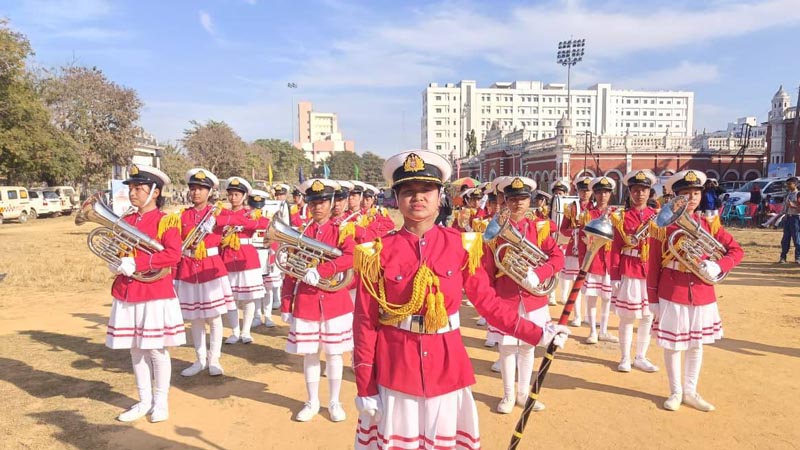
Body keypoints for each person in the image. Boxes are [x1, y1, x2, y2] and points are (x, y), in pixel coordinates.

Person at [352, 151, 569, 449]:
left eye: (426, 189)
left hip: (447, 366)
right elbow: (365, 323)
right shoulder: (375, 252)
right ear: (396, 198)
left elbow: (489, 303)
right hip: (397, 368)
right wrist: (365, 385)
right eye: (408, 191)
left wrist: (539, 333)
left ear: (439, 196)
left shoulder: (461, 245)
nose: (418, 197)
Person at [648, 169, 743, 412]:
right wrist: (652, 298)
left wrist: (719, 265)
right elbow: (653, 263)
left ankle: (691, 391)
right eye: (686, 193)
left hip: (702, 292)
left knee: (696, 345)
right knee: (674, 345)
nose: (691, 198)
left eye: (696, 193)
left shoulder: (710, 225)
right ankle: (675, 391)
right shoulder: (662, 226)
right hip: (672, 291)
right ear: (675, 197)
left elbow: (736, 251)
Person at [105, 165, 185, 423]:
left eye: (138, 188)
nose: (132, 193)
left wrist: (137, 263)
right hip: (128, 291)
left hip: (154, 291)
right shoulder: (126, 220)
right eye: (131, 188)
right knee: (135, 350)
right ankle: (143, 401)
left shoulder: (166, 220)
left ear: (155, 192)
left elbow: (173, 255)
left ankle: (161, 402)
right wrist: (115, 261)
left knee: (156, 350)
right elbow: (117, 249)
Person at [484, 176, 565, 413]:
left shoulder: (539, 228)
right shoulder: (495, 230)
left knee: (529, 346)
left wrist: (539, 274)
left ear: (529, 201)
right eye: (512, 199)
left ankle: (523, 394)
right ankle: (508, 395)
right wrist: (490, 300)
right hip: (506, 297)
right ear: (505, 201)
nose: (518, 203)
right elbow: (488, 267)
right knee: (507, 348)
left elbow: (557, 257)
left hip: (533, 298)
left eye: (522, 198)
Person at [280, 178, 356, 423]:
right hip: (307, 302)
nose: (318, 207)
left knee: (334, 355)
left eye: (322, 202)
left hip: (334, 301)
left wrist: (322, 270)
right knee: (310, 354)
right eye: (313, 203)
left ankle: (334, 401)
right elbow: (290, 269)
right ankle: (312, 401)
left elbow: (351, 257)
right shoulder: (300, 232)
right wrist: (285, 303)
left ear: (331, 202)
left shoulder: (342, 230)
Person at [176, 168, 238, 377]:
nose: (196, 193)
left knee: (214, 317)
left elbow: (242, 220)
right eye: (193, 188)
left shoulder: (218, 212)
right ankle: (200, 359)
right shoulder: (183, 215)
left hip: (211, 268)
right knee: (195, 318)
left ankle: (214, 359)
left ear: (210, 191)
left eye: (201, 189)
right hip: (188, 268)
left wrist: (219, 221)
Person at [610, 170, 659, 373]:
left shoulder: (657, 216)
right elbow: (615, 247)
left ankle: (641, 356)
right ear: (630, 192)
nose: (640, 194)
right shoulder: (621, 217)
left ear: (649, 192)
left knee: (647, 316)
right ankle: (624, 357)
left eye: (644, 190)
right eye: (636, 190)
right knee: (628, 316)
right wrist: (614, 275)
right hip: (630, 269)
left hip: (651, 271)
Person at [221, 177, 267, 344]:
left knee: (249, 297)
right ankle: (234, 332)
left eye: (237, 195)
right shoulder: (222, 213)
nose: (233, 198)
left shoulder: (251, 213)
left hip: (247, 258)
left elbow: (264, 223)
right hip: (227, 257)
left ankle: (246, 331)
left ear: (244, 196)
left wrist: (244, 222)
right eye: (231, 194)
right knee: (231, 298)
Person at [582, 176, 617, 344]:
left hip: (609, 262)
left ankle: (603, 330)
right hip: (594, 261)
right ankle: (592, 331)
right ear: (594, 194)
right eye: (599, 192)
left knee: (607, 298)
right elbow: (582, 240)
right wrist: (583, 264)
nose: (603, 196)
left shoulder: (616, 215)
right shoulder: (588, 215)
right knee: (592, 297)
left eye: (606, 192)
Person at [559, 175, 594, 326]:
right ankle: (577, 315)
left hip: (591, 249)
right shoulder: (571, 207)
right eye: (582, 190)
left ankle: (589, 316)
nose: (585, 193)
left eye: (587, 190)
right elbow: (563, 229)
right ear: (578, 191)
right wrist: (574, 232)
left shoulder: (595, 208)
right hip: (575, 249)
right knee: (576, 283)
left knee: (590, 285)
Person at [779, 176, 800, 263]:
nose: (787, 186)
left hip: (795, 218)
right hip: (788, 217)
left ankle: (798, 257)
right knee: (785, 239)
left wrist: (793, 206)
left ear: (795, 184)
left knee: (797, 239)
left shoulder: (798, 194)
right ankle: (783, 257)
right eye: (787, 184)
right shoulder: (788, 194)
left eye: (789, 184)